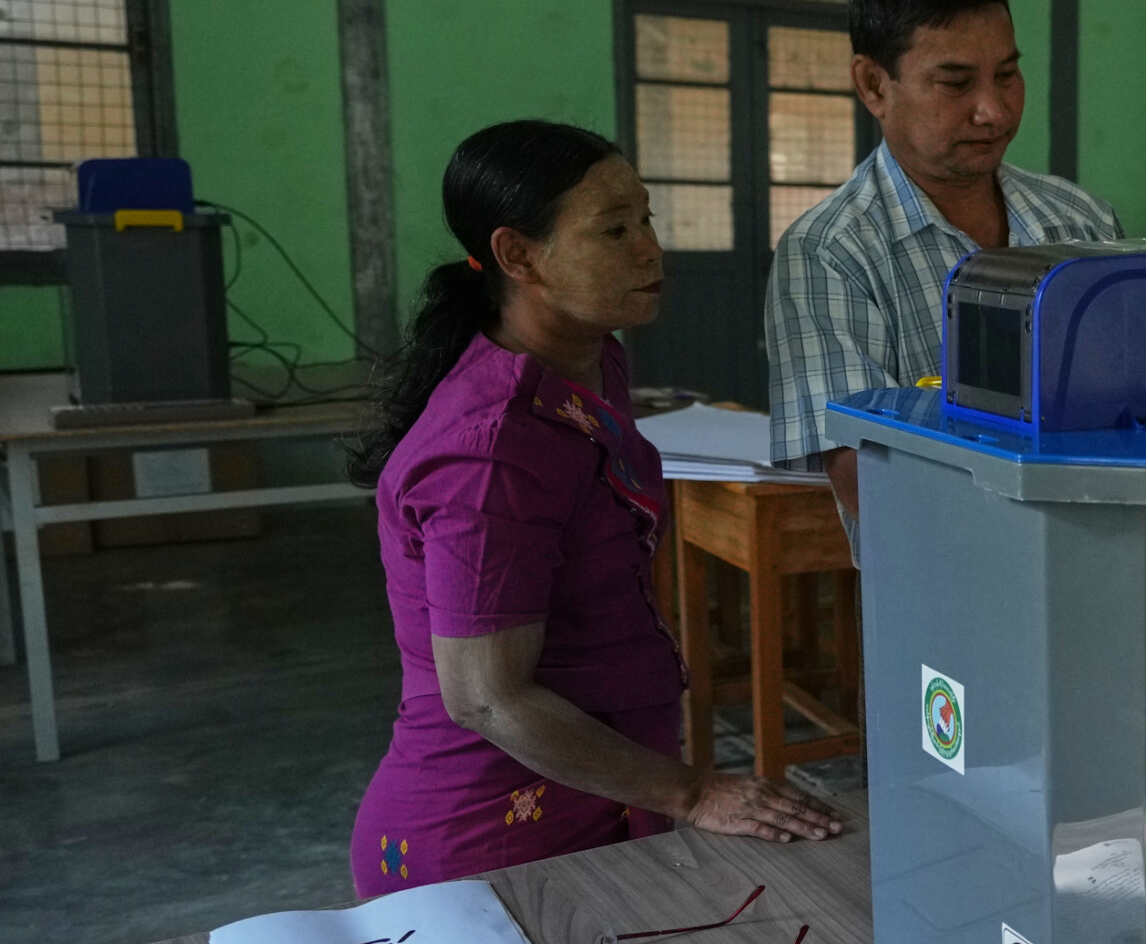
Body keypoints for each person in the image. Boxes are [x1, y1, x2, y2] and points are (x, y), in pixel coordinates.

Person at [345, 122, 842, 898]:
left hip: (597, 797)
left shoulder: (589, 357)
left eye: (645, 218)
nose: (650, 249)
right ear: (518, 256)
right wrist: (695, 790)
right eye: (614, 230)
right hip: (490, 840)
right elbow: (486, 695)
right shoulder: (492, 454)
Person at [767, 0, 1122, 521]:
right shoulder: (830, 253)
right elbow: (871, 483)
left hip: (1100, 558)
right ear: (873, 86)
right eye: (955, 84)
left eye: (1007, 75)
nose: (995, 111)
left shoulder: (1081, 220)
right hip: (942, 590)